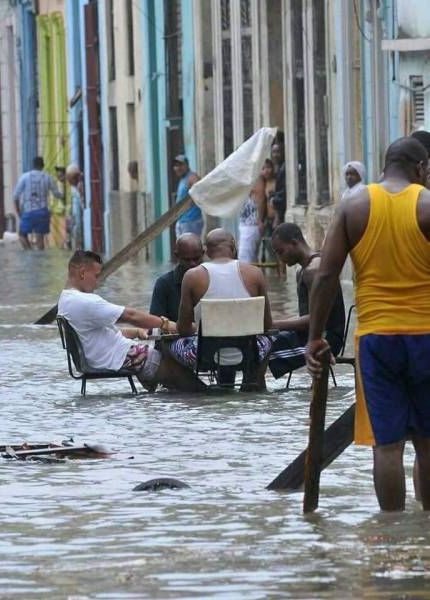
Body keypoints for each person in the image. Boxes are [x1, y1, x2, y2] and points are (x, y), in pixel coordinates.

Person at [306, 136, 430, 511]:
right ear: (422, 168)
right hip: (426, 335)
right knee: (427, 442)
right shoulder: (427, 204)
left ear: (384, 166)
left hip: (376, 338)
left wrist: (315, 338)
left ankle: (390, 533)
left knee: (387, 445)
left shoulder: (353, 205)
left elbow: (325, 277)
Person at [58, 250, 205, 392]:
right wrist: (170, 325)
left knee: (167, 363)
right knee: (175, 367)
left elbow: (99, 334)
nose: (97, 283)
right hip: (119, 356)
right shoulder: (86, 301)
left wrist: (136, 332)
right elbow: (131, 315)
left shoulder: (66, 299)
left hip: (112, 355)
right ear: (82, 273)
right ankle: (205, 397)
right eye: (96, 276)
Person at [172, 229, 273, 389]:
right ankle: (253, 383)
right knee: (270, 339)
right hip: (249, 354)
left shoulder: (192, 276)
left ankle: (194, 391)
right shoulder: (255, 273)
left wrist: (197, 328)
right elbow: (267, 325)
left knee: (169, 344)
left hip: (204, 356)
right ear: (233, 247)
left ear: (207, 251)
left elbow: (183, 329)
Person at [268, 223, 345, 379]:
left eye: (281, 251)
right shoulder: (303, 270)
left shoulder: (314, 270)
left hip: (326, 338)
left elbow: (314, 320)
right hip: (309, 334)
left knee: (262, 348)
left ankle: (257, 395)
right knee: (261, 341)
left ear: (295, 242)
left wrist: (273, 324)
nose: (280, 258)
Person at [149, 233, 203, 322]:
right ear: (177, 256)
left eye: (196, 259)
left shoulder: (211, 278)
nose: (192, 264)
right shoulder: (164, 284)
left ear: (203, 254)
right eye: (187, 260)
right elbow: (155, 322)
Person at [13, 156, 63, 250]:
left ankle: (29, 253)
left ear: (33, 165)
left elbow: (16, 196)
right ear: (43, 166)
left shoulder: (24, 177)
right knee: (40, 238)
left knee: (22, 235)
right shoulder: (48, 177)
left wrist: (18, 211)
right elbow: (56, 194)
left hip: (28, 212)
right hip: (43, 213)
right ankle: (39, 260)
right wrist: (63, 196)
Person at [238, 171, 266, 264]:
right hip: (246, 223)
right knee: (249, 259)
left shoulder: (257, 178)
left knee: (245, 259)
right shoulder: (248, 177)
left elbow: (261, 198)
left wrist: (259, 220)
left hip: (251, 224)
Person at [173, 155, 202, 237]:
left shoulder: (192, 177)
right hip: (182, 221)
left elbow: (199, 190)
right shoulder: (183, 179)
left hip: (191, 221)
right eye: (176, 166)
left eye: (181, 165)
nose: (178, 168)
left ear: (187, 165)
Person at [66, 164, 85, 249]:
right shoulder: (75, 187)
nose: (68, 181)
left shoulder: (80, 186)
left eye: (69, 178)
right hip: (77, 218)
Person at [270, 139, 286, 227]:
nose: (275, 155)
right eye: (273, 152)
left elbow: (283, 193)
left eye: (278, 152)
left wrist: (274, 200)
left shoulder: (284, 169)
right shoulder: (279, 168)